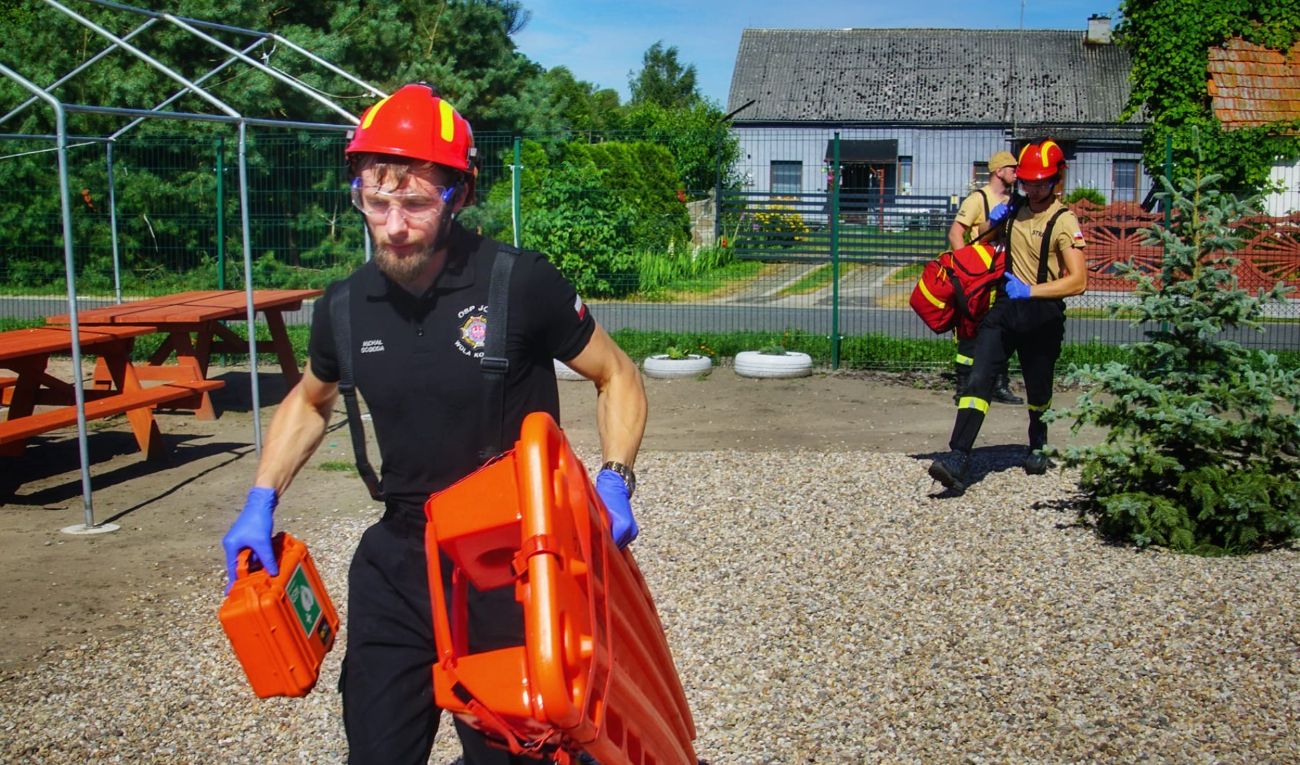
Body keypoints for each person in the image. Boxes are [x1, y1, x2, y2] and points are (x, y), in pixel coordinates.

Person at [220, 83, 648, 765]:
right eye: (374, 200)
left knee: (517, 755)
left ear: (459, 195)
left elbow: (617, 375)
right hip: (398, 561)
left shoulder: (520, 283)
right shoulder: (343, 307)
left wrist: (615, 478)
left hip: (510, 565)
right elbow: (309, 400)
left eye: (415, 202)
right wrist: (260, 497)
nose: (392, 224)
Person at [929, 139, 1087, 492]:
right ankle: (958, 457)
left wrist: (1030, 291)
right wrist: (992, 222)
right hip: (1004, 309)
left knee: (1038, 388)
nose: (1032, 189)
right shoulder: (1015, 207)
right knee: (978, 376)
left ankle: (1037, 439)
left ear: (1057, 179)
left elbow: (1078, 281)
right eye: (1027, 182)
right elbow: (983, 243)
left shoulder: (1064, 221)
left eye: (1040, 183)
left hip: (1042, 313)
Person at [946, 149, 1024, 406]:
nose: (1016, 172)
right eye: (1012, 168)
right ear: (998, 171)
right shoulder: (978, 200)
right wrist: (964, 268)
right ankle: (964, 385)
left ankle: (998, 384)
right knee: (969, 331)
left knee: (1003, 329)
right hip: (978, 276)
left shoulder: (1015, 200)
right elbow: (956, 234)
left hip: (1004, 272)